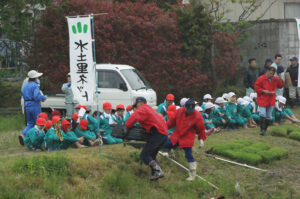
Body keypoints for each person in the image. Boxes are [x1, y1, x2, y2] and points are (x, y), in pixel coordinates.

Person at [126, 97, 168, 181]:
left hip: (157, 133)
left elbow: (132, 119)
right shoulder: (151, 109)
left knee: (144, 155)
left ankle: (158, 171)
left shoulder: (143, 108)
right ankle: (155, 176)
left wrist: (127, 126)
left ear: (139, 103)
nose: (135, 109)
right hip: (164, 134)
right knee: (151, 156)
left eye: (135, 106)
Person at [164, 99, 206, 181]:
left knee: (188, 154)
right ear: (184, 107)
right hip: (177, 134)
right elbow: (171, 122)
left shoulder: (197, 116)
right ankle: (172, 154)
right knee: (167, 144)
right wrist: (163, 129)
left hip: (188, 136)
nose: (190, 111)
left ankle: (192, 174)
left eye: (192, 110)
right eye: (188, 109)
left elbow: (200, 128)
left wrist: (201, 139)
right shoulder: (179, 111)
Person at [254, 66, 284, 135]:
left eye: (273, 74)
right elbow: (256, 87)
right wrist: (263, 91)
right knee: (262, 113)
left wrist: (280, 80)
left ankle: (265, 129)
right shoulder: (261, 78)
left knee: (268, 116)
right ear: (267, 71)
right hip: (262, 99)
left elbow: (280, 86)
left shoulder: (275, 79)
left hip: (271, 99)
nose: (271, 75)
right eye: (270, 73)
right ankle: (262, 130)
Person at [20, 70, 47, 146]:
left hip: (27, 105)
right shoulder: (35, 85)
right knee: (39, 122)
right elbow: (36, 97)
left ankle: (23, 135)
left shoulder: (25, 86)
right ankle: (38, 140)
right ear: (35, 78)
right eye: (37, 77)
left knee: (30, 123)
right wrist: (43, 97)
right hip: (34, 105)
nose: (38, 78)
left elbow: (23, 94)